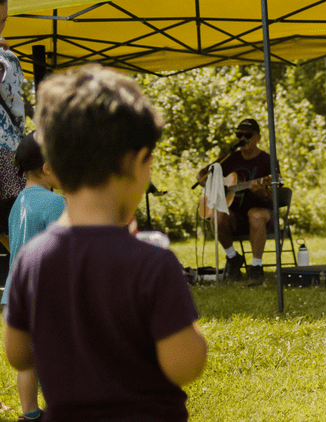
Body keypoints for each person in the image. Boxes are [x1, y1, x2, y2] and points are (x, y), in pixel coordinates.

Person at [3, 64, 207, 421]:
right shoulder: (152, 262)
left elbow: (18, 354)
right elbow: (184, 365)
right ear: (137, 160)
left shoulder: (30, 260)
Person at [1, 132, 64, 422]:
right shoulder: (56, 204)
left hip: (13, 295)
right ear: (49, 167)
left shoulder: (18, 204)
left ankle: (30, 415)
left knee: (26, 363)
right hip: (43, 296)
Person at [196, 118, 280, 287]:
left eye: (247, 135)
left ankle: (256, 267)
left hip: (262, 214)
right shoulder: (229, 158)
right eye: (239, 135)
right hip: (235, 215)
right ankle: (233, 258)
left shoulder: (267, 161)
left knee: (254, 214)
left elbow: (275, 195)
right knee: (216, 215)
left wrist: (263, 192)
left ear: (258, 138)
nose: (243, 138)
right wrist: (209, 185)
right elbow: (202, 174)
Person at [0, 0, 27, 253]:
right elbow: (17, 109)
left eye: (2, 23)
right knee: (14, 233)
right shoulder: (6, 61)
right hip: (5, 154)